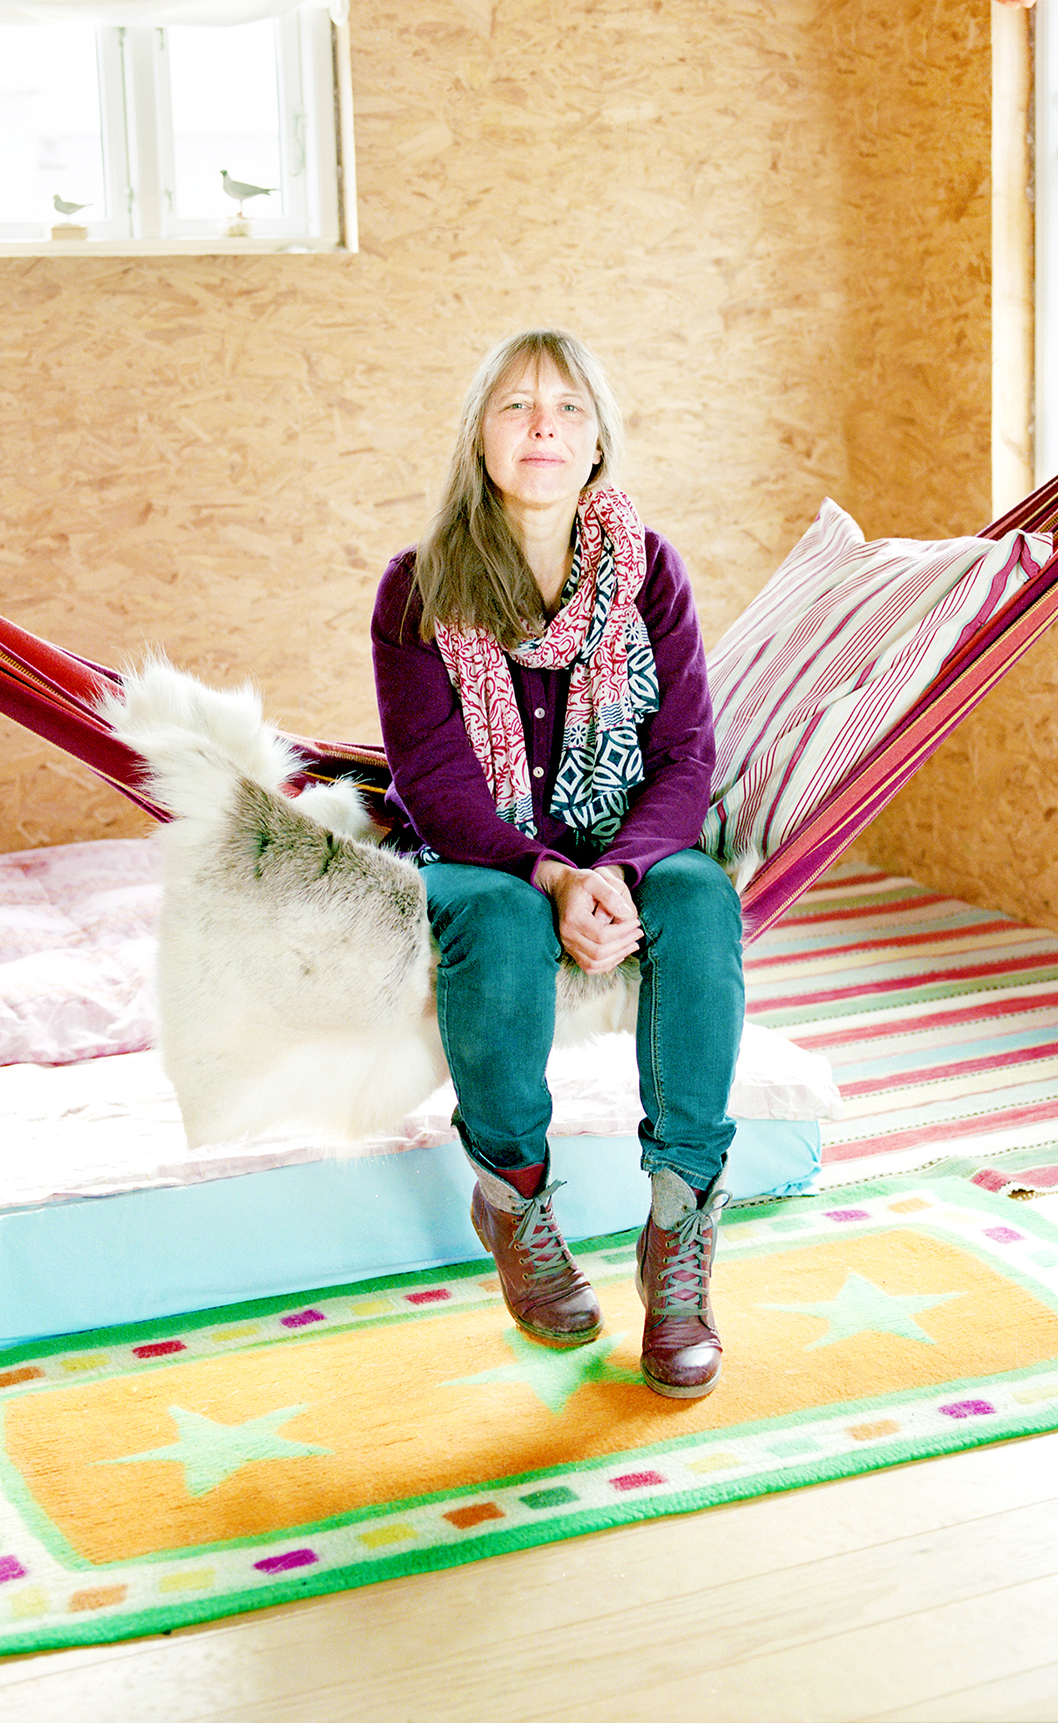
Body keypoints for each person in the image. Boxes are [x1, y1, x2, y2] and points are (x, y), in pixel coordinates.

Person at [371, 329, 744, 1399]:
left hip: (631, 844)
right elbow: (436, 787)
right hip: (480, 854)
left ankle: (679, 1242)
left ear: (597, 441)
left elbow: (685, 753)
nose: (544, 426)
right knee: (493, 922)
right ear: (478, 437)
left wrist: (618, 868)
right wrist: (550, 877)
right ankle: (515, 1201)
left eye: (569, 408)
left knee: (704, 901)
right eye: (516, 407)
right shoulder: (419, 588)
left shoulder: (649, 571)